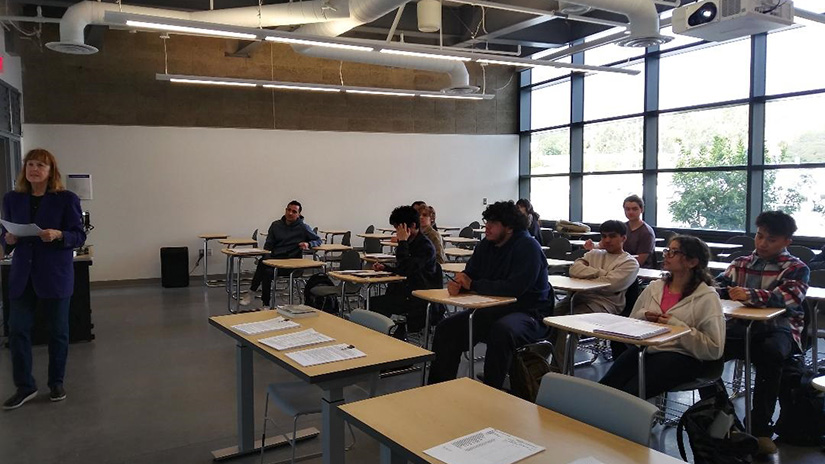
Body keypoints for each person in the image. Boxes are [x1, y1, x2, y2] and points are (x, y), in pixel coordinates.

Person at [699, 211, 809, 456]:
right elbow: (718, 287)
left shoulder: (797, 268)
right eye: (759, 236)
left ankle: (759, 429)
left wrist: (749, 295)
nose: (762, 243)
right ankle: (724, 419)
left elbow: (787, 299)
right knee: (705, 350)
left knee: (769, 355)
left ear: (786, 241)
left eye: (771, 239)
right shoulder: (741, 263)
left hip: (780, 329)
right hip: (739, 325)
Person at [427, 201, 551, 390]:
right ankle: (439, 389)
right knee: (446, 330)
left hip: (529, 313)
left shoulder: (529, 247)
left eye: (493, 223)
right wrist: (460, 284)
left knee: (502, 331)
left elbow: (515, 288)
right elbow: (471, 274)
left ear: (509, 228)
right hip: (494, 309)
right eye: (487, 222)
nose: (487, 227)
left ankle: (491, 391)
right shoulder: (486, 245)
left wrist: (473, 284)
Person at [2, 149, 86, 410]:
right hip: (22, 276)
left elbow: (78, 235)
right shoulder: (12, 199)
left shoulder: (66, 199)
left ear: (51, 171)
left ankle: (56, 382)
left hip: (54, 274)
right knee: (17, 331)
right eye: (30, 164)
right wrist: (8, 240)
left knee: (58, 332)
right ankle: (25, 386)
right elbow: (4, 234)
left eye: (40, 165)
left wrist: (60, 235)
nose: (33, 169)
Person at [599, 236, 725, 398]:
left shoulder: (707, 297)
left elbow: (713, 349)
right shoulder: (655, 287)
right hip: (649, 350)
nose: (666, 255)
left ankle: (615, 419)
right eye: (667, 250)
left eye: (674, 252)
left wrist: (676, 327)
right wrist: (644, 316)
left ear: (692, 262)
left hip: (684, 357)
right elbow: (631, 322)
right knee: (607, 385)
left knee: (630, 394)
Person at [552, 220, 639, 366]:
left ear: (623, 238)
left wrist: (588, 275)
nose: (607, 240)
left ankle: (557, 371)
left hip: (605, 304)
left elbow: (611, 285)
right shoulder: (594, 254)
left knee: (568, 325)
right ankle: (535, 365)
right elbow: (574, 270)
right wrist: (601, 273)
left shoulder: (629, 263)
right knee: (549, 318)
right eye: (604, 236)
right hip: (579, 297)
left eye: (612, 236)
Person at [370, 206, 442, 332]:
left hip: (419, 297)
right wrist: (386, 268)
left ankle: (386, 333)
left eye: (399, 228)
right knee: (371, 304)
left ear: (412, 226)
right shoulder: (409, 242)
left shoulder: (425, 246)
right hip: (406, 292)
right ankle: (383, 332)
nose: (397, 232)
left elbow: (406, 269)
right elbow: (403, 268)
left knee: (376, 305)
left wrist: (402, 242)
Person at [241, 200, 321, 308]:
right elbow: (268, 244)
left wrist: (308, 243)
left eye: (294, 211)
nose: (290, 213)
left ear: (299, 214)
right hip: (276, 259)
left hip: (292, 264)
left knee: (267, 272)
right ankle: (259, 298)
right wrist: (266, 253)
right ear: (285, 210)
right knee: (263, 262)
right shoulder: (275, 225)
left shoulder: (303, 227)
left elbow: (318, 240)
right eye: (288, 210)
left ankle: (262, 301)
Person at [584, 195, 655, 268]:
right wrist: (593, 246)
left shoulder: (646, 232)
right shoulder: (621, 227)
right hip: (616, 265)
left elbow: (640, 261)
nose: (630, 212)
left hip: (638, 270)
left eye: (634, 209)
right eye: (627, 209)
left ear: (642, 210)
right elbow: (603, 245)